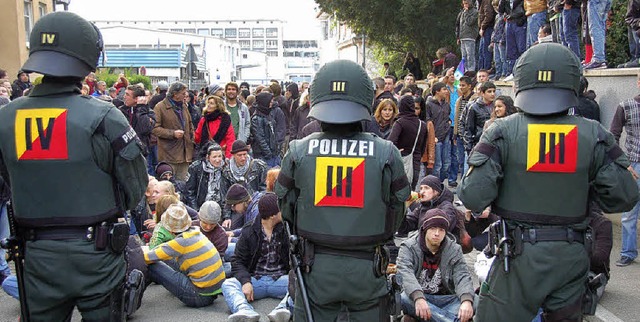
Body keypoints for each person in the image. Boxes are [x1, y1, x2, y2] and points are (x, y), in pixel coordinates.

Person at [458, 43, 639, 321]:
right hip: (571, 255)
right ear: (574, 83)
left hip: (516, 258)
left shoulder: (502, 131)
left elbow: (472, 195)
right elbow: (625, 195)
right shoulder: (594, 134)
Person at [0, 12, 148, 321]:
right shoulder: (105, 116)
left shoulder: (6, 118)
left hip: (37, 255)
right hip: (97, 254)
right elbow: (134, 187)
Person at [276, 60, 411, 321]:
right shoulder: (386, 152)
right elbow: (398, 209)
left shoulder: (298, 150)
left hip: (314, 267)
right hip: (369, 269)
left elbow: (286, 205)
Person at [221, 193, 291, 322]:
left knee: (302, 283)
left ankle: (282, 310)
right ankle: (244, 311)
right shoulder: (249, 230)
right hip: (255, 279)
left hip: (281, 279)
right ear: (273, 215)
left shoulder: (287, 229)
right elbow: (237, 260)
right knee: (228, 284)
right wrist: (245, 281)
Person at [397, 209, 475, 322]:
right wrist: (418, 297)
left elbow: (462, 276)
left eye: (441, 230)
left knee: (474, 300)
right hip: (419, 296)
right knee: (403, 297)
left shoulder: (454, 249)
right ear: (425, 228)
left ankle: (433, 318)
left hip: (445, 299)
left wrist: (466, 301)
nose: (437, 233)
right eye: (433, 228)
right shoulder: (409, 247)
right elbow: (405, 273)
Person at [144, 203, 226, 308]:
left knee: (152, 266)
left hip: (199, 296)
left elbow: (147, 257)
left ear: (169, 229)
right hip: (213, 292)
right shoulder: (196, 232)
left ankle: (133, 291)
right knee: (165, 259)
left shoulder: (180, 242)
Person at [610, 73, 640, 267]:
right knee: (629, 212)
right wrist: (623, 162)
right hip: (633, 163)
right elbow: (613, 135)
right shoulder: (625, 105)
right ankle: (628, 252)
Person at [152, 81, 195, 181]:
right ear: (175, 94)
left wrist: (192, 137)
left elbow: (189, 123)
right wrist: (172, 134)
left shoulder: (184, 106)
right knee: (168, 186)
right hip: (169, 155)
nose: (185, 96)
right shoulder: (160, 107)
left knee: (183, 186)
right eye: (183, 94)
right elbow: (154, 128)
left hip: (185, 154)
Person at [389, 95, 427, 188]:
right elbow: (422, 147)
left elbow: (391, 142)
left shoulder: (400, 122)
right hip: (415, 163)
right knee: (411, 191)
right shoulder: (422, 124)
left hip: (401, 162)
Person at [186, 144, 227, 211]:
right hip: (201, 206)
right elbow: (189, 192)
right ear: (208, 157)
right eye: (214, 157)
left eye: (220, 156)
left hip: (220, 206)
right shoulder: (196, 168)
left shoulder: (225, 168)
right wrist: (196, 211)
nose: (217, 160)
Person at [194, 95, 235, 159]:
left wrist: (228, 157)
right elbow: (197, 137)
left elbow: (230, 139)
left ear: (218, 106)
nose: (208, 105)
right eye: (208, 103)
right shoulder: (204, 119)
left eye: (211, 103)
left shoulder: (225, 119)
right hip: (206, 153)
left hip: (220, 153)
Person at [249, 92, 281, 167]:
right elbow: (260, 138)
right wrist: (268, 153)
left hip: (272, 153)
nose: (272, 103)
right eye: (270, 101)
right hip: (264, 155)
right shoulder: (256, 118)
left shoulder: (268, 114)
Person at [456, 0, 479, 71]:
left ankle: (471, 70)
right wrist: (457, 36)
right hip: (462, 36)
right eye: (463, 4)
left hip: (470, 36)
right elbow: (457, 25)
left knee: (470, 55)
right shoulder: (461, 12)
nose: (465, 5)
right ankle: (465, 70)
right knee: (464, 56)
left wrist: (466, 13)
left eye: (466, 3)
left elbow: (469, 22)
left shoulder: (475, 12)